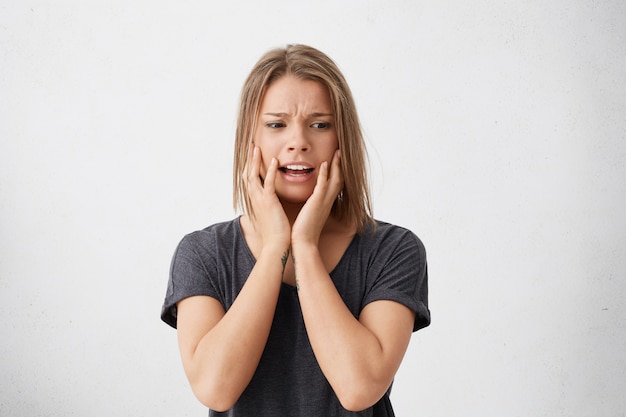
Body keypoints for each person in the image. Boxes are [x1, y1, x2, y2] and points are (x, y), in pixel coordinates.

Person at [161, 44, 430, 417]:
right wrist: (275, 248)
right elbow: (214, 389)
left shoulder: (394, 249)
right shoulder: (203, 253)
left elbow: (359, 388)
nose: (299, 142)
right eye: (276, 124)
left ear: (342, 139)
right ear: (250, 140)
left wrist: (303, 246)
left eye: (320, 124)